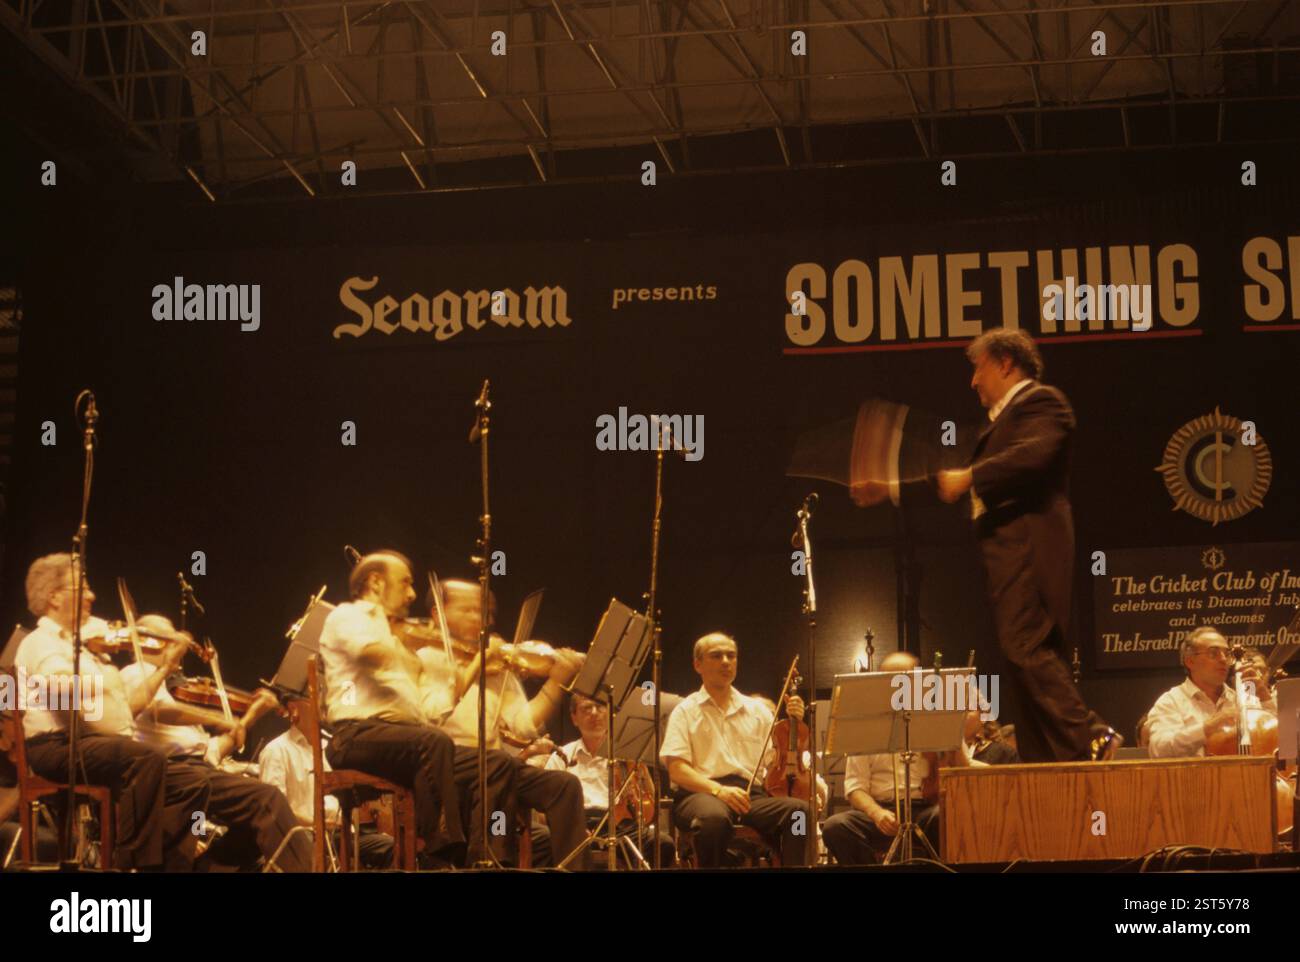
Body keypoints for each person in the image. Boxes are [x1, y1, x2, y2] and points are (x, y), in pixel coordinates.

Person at [937, 328, 1118, 763]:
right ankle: (1047, 761)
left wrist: (972, 476)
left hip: (1032, 547)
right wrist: (891, 486)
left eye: (978, 369)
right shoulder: (1000, 422)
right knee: (1021, 658)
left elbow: (1032, 455)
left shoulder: (1043, 402)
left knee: (1025, 646)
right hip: (1006, 554)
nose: (973, 382)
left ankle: (1091, 735)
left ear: (1004, 363)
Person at [12, 553, 207, 870]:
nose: (91, 596)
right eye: (82, 587)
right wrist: (99, 672)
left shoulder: (85, 644)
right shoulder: (42, 642)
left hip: (90, 742)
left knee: (194, 782)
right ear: (54, 597)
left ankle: (172, 864)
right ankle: (132, 863)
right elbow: (56, 687)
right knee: (146, 758)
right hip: (54, 745)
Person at [320, 551, 511, 868]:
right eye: (405, 583)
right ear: (376, 582)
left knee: (495, 763)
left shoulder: (398, 641)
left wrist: (473, 663)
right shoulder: (349, 617)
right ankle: (437, 856)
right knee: (433, 742)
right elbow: (370, 653)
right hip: (353, 736)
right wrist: (416, 649)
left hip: (405, 741)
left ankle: (483, 859)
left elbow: (431, 713)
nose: (411, 593)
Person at [416, 579, 588, 869]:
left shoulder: (498, 666)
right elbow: (431, 713)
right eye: (468, 610)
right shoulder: (425, 659)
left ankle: (573, 868)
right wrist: (474, 668)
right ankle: (490, 862)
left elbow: (520, 725)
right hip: (446, 765)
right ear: (438, 614)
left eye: (484, 611)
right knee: (497, 764)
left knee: (565, 785)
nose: (480, 618)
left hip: (496, 765)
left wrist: (557, 683)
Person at [119, 618, 312, 872]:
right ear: (146, 642)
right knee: (266, 800)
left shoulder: (168, 689)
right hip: (171, 774)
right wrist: (217, 718)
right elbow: (158, 709)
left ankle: (205, 866)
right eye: (171, 640)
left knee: (257, 813)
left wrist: (252, 714)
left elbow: (212, 751)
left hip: (198, 770)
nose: (179, 647)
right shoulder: (138, 672)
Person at [660, 632, 812, 867]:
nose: (726, 661)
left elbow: (775, 764)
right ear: (697, 665)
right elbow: (678, 771)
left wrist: (794, 723)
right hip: (701, 793)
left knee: (799, 813)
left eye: (731, 656)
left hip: (749, 796)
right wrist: (719, 791)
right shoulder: (685, 711)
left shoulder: (758, 711)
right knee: (713, 820)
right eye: (716, 656)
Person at [821, 651, 975, 865]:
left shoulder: (937, 715)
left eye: (906, 678)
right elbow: (855, 788)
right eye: (891, 680)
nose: (898, 686)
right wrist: (876, 813)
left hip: (928, 808)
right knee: (835, 826)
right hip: (881, 810)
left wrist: (950, 732)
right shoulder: (866, 726)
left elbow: (964, 774)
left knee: (949, 817)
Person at [534, 692, 673, 869]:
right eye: (586, 708)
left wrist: (641, 769)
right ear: (574, 718)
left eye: (600, 707)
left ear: (610, 713)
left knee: (662, 843)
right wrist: (569, 827)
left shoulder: (625, 755)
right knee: (547, 842)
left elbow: (651, 803)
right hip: (577, 823)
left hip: (620, 825)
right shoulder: (562, 756)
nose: (594, 713)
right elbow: (543, 811)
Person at [258, 700, 394, 869]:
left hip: (341, 832)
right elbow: (275, 813)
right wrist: (317, 823)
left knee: (390, 847)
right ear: (294, 708)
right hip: (305, 834)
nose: (324, 705)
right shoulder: (276, 750)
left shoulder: (332, 748)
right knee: (311, 852)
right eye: (313, 698)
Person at [1146, 627, 1276, 758]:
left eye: (1226, 654)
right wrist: (1207, 727)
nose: (1223, 659)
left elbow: (1277, 738)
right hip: (1194, 777)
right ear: (1190, 661)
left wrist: (1265, 698)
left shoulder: (1240, 701)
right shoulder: (1171, 701)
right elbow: (1159, 750)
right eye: (1213, 653)